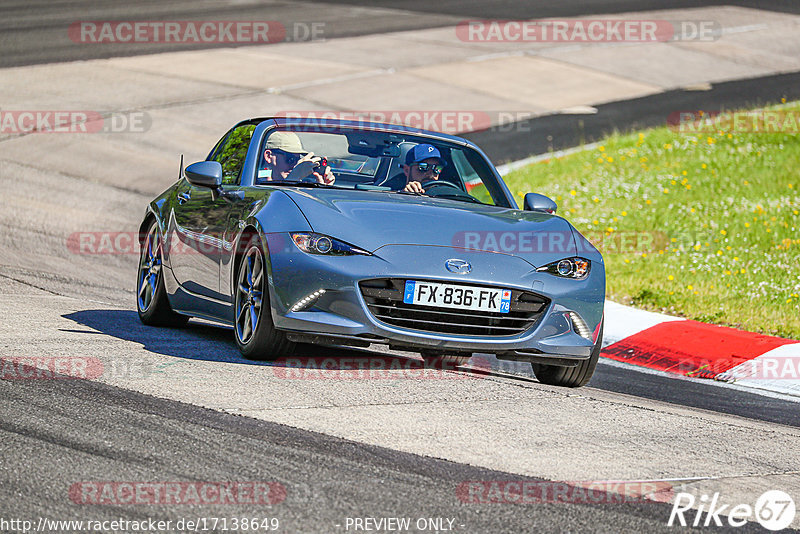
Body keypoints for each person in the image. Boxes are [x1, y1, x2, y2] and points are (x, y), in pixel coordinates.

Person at [258, 131, 335, 185]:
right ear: (268, 156)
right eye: (290, 159)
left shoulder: (304, 184)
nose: (295, 165)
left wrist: (322, 188)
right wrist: (293, 179)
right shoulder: (256, 184)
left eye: (298, 159)